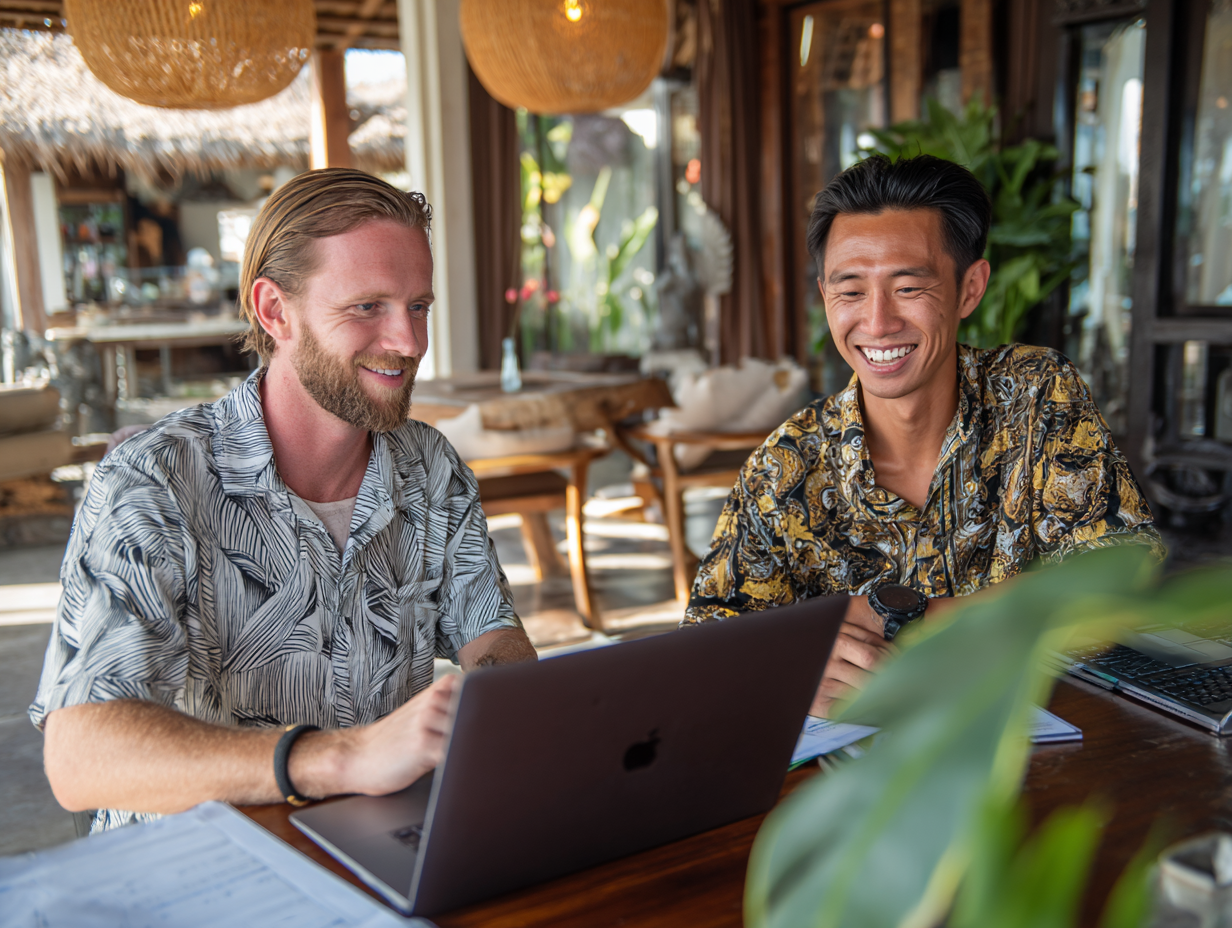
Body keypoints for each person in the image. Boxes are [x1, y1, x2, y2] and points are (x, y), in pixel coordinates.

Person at [30, 169, 536, 831]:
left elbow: (494, 639)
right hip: (197, 880)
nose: (409, 342)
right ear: (274, 311)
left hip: (378, 857)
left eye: (418, 306)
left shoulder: (429, 467)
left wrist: (490, 697)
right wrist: (337, 757)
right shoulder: (152, 481)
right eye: (368, 307)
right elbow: (81, 758)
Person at [683, 154, 1164, 717]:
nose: (878, 322)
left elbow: (1121, 568)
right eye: (851, 291)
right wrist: (790, 672)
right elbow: (704, 647)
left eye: (909, 287)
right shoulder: (788, 465)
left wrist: (902, 613)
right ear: (825, 296)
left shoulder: (1034, 395)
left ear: (969, 289)